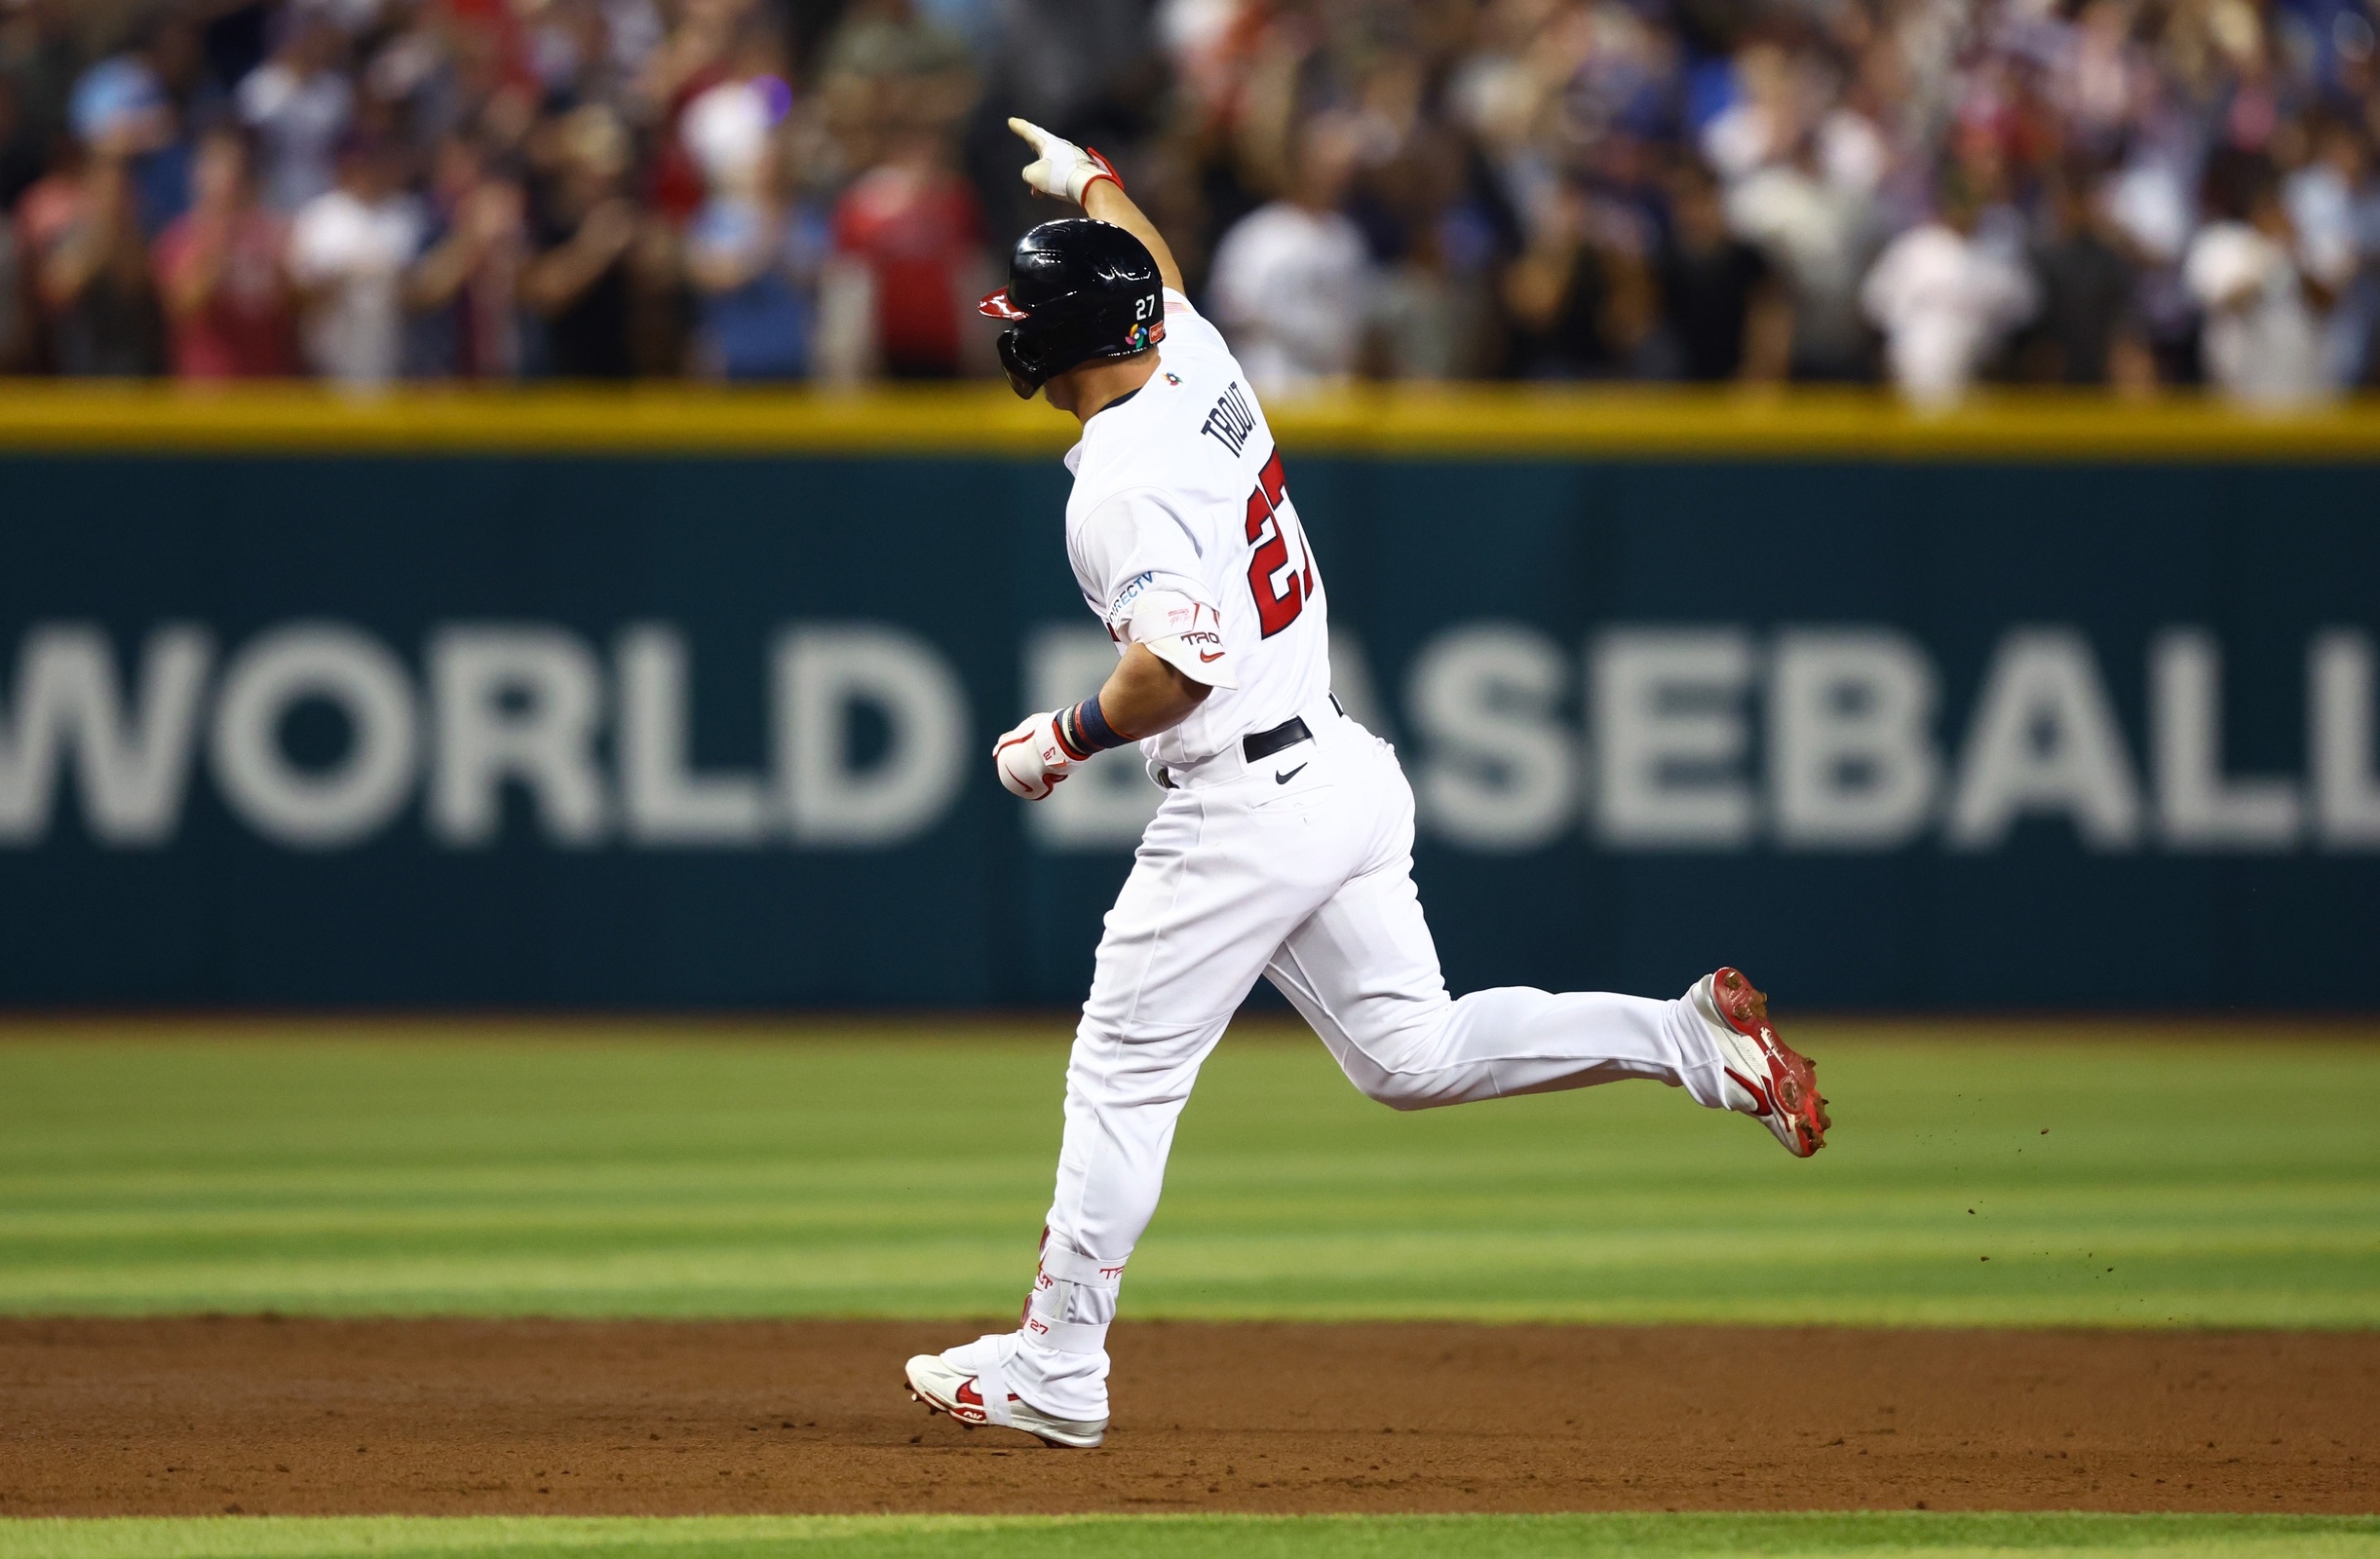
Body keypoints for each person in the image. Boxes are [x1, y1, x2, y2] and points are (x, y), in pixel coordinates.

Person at [900, 118, 1831, 1453]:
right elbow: (1151, 270)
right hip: (1337, 770)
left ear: (1062, 342)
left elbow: (1174, 668)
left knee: (1122, 1074)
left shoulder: (1114, 484)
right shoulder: (1195, 360)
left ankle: (1056, 1366)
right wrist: (1098, 179)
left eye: (1025, 318)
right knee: (1410, 1054)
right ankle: (1685, 1038)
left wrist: (1061, 739)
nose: (1011, 335)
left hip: (1242, 800)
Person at [154, 126, 296, 378]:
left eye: (238, 169)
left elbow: (291, 309)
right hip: (209, 390)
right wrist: (218, 249)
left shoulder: (273, 234)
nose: (230, 180)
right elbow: (180, 308)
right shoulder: (180, 238)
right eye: (220, 168)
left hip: (269, 387)